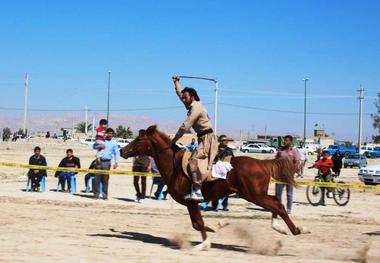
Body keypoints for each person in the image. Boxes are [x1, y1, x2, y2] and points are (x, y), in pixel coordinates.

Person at [171, 76, 218, 201]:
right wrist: (176, 82)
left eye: (186, 98)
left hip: (207, 138)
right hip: (202, 138)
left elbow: (186, 125)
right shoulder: (191, 104)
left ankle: (197, 190)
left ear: (192, 97)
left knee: (194, 160)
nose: (183, 100)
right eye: (183, 98)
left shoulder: (196, 107)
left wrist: (174, 140)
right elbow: (179, 94)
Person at [274, 135, 300, 214]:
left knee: (289, 194)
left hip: (289, 176)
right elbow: (276, 160)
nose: (285, 142)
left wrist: (294, 171)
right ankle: (279, 208)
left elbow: (297, 162)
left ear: (291, 142)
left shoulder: (294, 151)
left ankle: (289, 209)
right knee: (278, 194)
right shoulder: (280, 150)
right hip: (279, 175)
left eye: (287, 140)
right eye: (285, 140)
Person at [92, 128, 120, 200]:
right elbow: (94, 146)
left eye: (111, 133)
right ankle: (96, 194)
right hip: (98, 161)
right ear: (106, 133)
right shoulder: (101, 140)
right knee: (96, 179)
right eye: (109, 133)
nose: (110, 134)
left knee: (105, 179)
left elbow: (116, 153)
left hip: (107, 163)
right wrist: (99, 146)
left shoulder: (114, 143)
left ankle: (105, 195)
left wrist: (116, 162)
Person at [212, 134, 234, 211]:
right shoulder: (215, 149)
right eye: (224, 140)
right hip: (216, 171)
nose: (226, 141)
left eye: (226, 140)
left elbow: (233, 160)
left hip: (227, 172)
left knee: (226, 189)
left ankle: (224, 205)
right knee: (215, 187)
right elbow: (212, 158)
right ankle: (214, 205)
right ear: (220, 141)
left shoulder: (229, 150)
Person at [133, 130, 150, 203]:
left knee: (143, 181)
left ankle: (143, 196)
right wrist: (133, 164)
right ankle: (138, 194)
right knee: (135, 181)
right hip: (136, 164)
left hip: (145, 164)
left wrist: (149, 165)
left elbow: (151, 156)